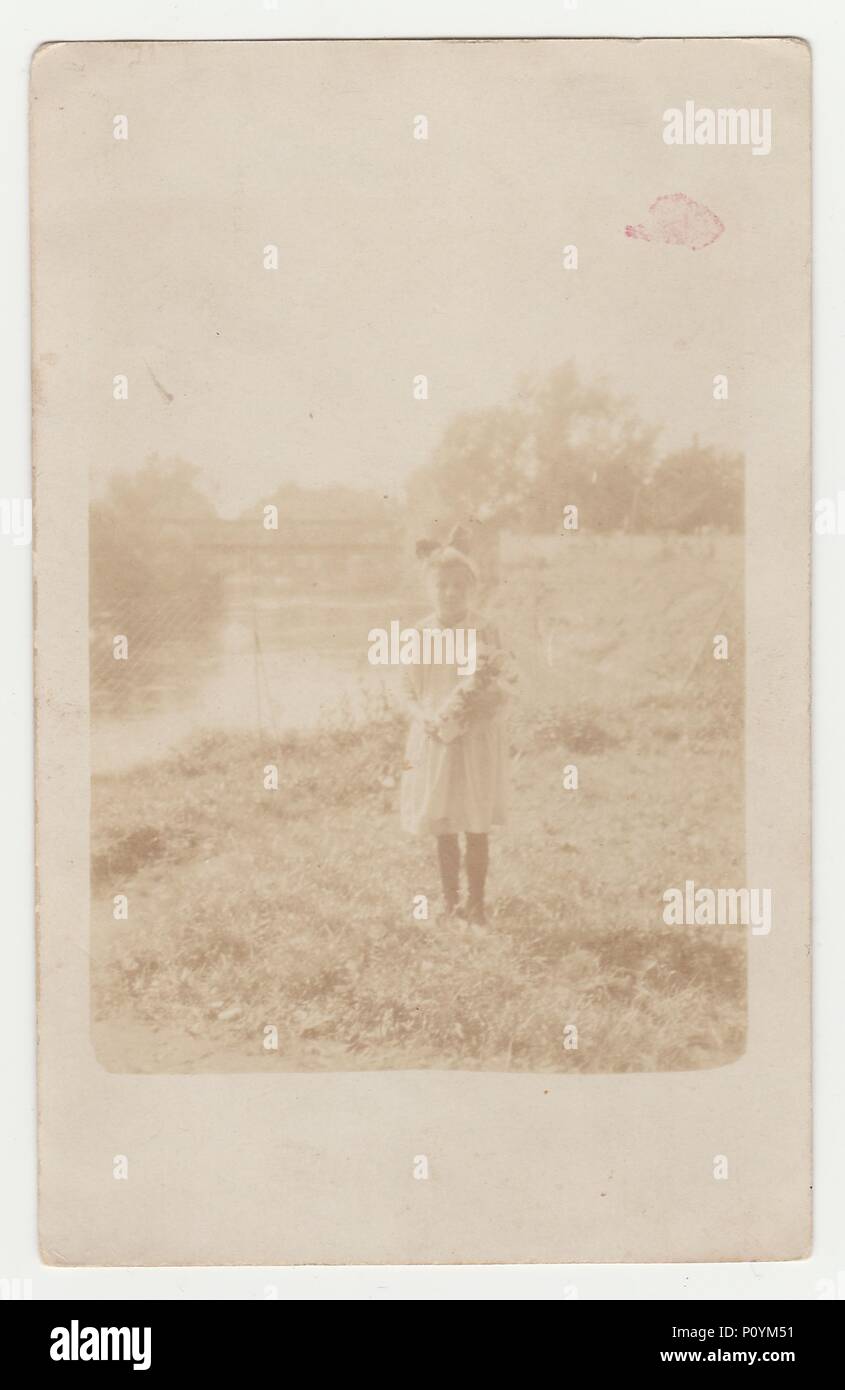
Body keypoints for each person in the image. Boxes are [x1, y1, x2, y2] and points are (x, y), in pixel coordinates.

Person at [400, 526, 510, 926]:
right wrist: (425, 717)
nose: (451, 593)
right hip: (437, 737)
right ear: (430, 589)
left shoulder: (485, 628)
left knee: (476, 819)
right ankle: (451, 902)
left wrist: (485, 699)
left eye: (459, 585)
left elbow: (502, 680)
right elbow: (407, 691)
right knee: (443, 819)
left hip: (476, 735)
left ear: (472, 588)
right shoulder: (420, 633)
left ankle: (477, 904)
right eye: (443, 585)